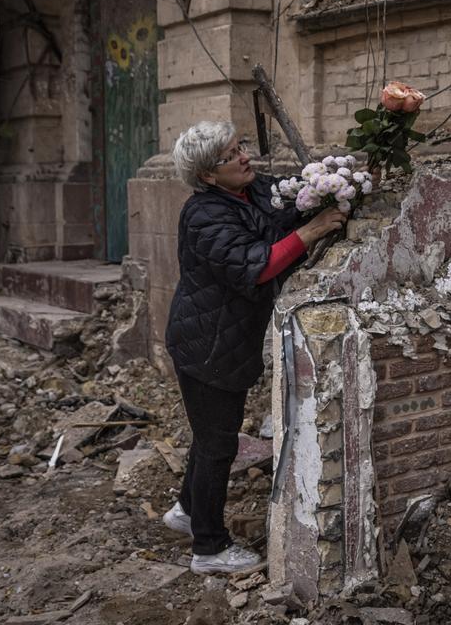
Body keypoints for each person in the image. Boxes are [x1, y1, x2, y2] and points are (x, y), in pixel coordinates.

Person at [163, 121, 346, 575]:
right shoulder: (204, 215)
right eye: (231, 155)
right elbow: (257, 266)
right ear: (208, 175)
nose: (245, 156)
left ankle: (187, 511)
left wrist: (336, 187)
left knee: (211, 437)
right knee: (217, 445)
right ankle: (209, 548)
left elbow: (283, 210)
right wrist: (316, 230)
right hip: (207, 346)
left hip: (227, 339)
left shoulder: (250, 190)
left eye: (240, 145)